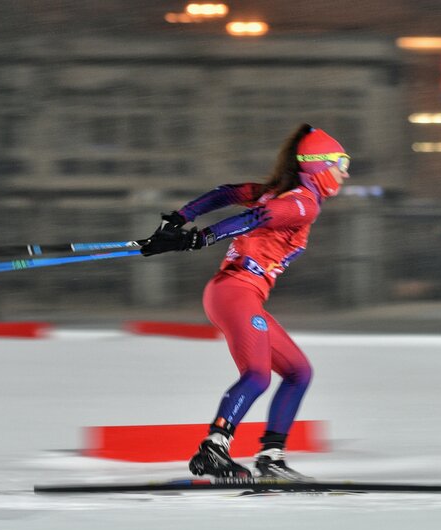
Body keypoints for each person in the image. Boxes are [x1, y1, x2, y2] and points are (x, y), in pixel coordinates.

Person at [140, 124, 350, 480]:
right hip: (236, 292)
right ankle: (214, 449)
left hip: (237, 293)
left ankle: (271, 457)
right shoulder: (303, 203)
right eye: (340, 163)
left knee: (299, 373)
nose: (344, 172)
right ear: (318, 164)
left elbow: (226, 194)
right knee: (257, 375)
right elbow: (257, 217)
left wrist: (180, 219)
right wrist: (197, 238)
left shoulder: (277, 191)